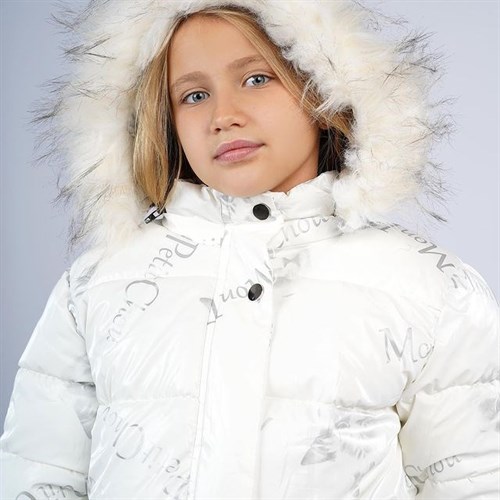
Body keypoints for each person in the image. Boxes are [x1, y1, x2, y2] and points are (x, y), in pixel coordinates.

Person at [1, 0, 498, 499]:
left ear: (324, 89)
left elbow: (472, 479)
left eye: (257, 79)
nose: (223, 116)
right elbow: (40, 473)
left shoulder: (428, 290)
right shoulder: (100, 285)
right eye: (194, 95)